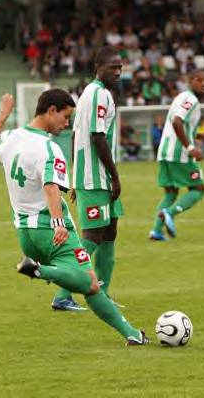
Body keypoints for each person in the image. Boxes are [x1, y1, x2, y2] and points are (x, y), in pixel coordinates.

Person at [0, 90, 148, 346]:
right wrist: (59, 224)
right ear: (51, 110)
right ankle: (37, 270)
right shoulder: (49, 147)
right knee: (89, 282)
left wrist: (4, 114)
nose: (67, 123)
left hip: (25, 233)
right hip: (51, 231)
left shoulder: (11, 138)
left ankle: (133, 335)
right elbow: (50, 187)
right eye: (65, 116)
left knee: (89, 283)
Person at [52, 46, 124, 311]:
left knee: (109, 233)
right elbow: (97, 137)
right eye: (112, 67)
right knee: (92, 236)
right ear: (98, 67)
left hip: (95, 177)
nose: (117, 72)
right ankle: (62, 294)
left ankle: (102, 291)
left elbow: (75, 136)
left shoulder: (89, 95)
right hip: (96, 179)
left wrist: (73, 177)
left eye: (120, 68)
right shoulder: (98, 95)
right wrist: (114, 177)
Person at [149, 70, 204, 241]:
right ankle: (169, 213)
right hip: (180, 154)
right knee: (198, 189)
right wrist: (190, 147)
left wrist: (200, 136)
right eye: (199, 80)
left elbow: (180, 125)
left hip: (164, 152)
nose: (203, 84)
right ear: (190, 81)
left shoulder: (180, 97)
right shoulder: (191, 99)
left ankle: (156, 231)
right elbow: (177, 121)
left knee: (170, 192)